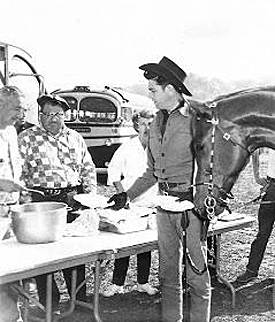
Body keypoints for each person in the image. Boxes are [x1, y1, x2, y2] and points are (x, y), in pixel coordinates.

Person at [107, 57, 211, 322]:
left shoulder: (197, 121)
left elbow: (208, 169)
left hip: (190, 208)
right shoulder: (154, 124)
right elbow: (152, 172)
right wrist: (125, 195)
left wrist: (198, 201)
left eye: (153, 90)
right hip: (163, 207)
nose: (149, 95)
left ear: (171, 89)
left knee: (197, 273)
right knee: (168, 273)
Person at [18, 94, 97, 310]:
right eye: (49, 114)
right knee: (45, 255)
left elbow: (87, 168)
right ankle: (49, 303)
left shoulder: (75, 137)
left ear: (65, 116)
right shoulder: (26, 138)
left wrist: (90, 198)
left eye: (58, 114)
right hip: (41, 201)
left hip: (72, 198)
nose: (54, 119)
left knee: (75, 251)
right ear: (40, 116)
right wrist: (24, 199)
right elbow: (19, 173)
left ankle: (78, 299)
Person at [103, 109, 158, 297]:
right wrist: (122, 196)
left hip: (151, 202)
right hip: (129, 203)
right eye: (143, 124)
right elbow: (113, 171)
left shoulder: (158, 147)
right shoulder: (127, 147)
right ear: (136, 126)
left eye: (150, 123)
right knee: (125, 245)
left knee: (145, 246)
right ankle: (117, 284)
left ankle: (143, 282)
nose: (147, 128)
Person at [0, 85, 29, 322]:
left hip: (10, 212)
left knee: (12, 272)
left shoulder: (10, 132)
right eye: (16, 108)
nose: (20, 115)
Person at [236, 148, 275, 283]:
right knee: (262, 233)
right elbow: (255, 150)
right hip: (271, 186)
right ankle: (251, 271)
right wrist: (257, 175)